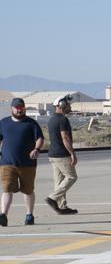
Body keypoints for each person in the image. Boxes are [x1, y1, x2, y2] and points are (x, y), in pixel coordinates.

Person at [0, 98, 46, 226]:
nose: (19, 109)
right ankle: (3, 215)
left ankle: (29, 215)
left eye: (21, 107)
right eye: (17, 107)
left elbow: (40, 138)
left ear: (24, 108)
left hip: (28, 164)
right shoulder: (3, 123)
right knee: (7, 188)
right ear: (12, 108)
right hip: (7, 163)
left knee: (28, 190)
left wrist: (36, 149)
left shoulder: (31, 123)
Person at [45, 96, 79, 215]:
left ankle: (62, 206)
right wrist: (72, 153)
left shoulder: (52, 119)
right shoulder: (62, 120)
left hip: (52, 154)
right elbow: (65, 137)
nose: (70, 107)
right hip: (61, 155)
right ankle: (52, 198)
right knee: (71, 177)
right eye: (68, 105)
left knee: (59, 182)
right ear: (62, 105)